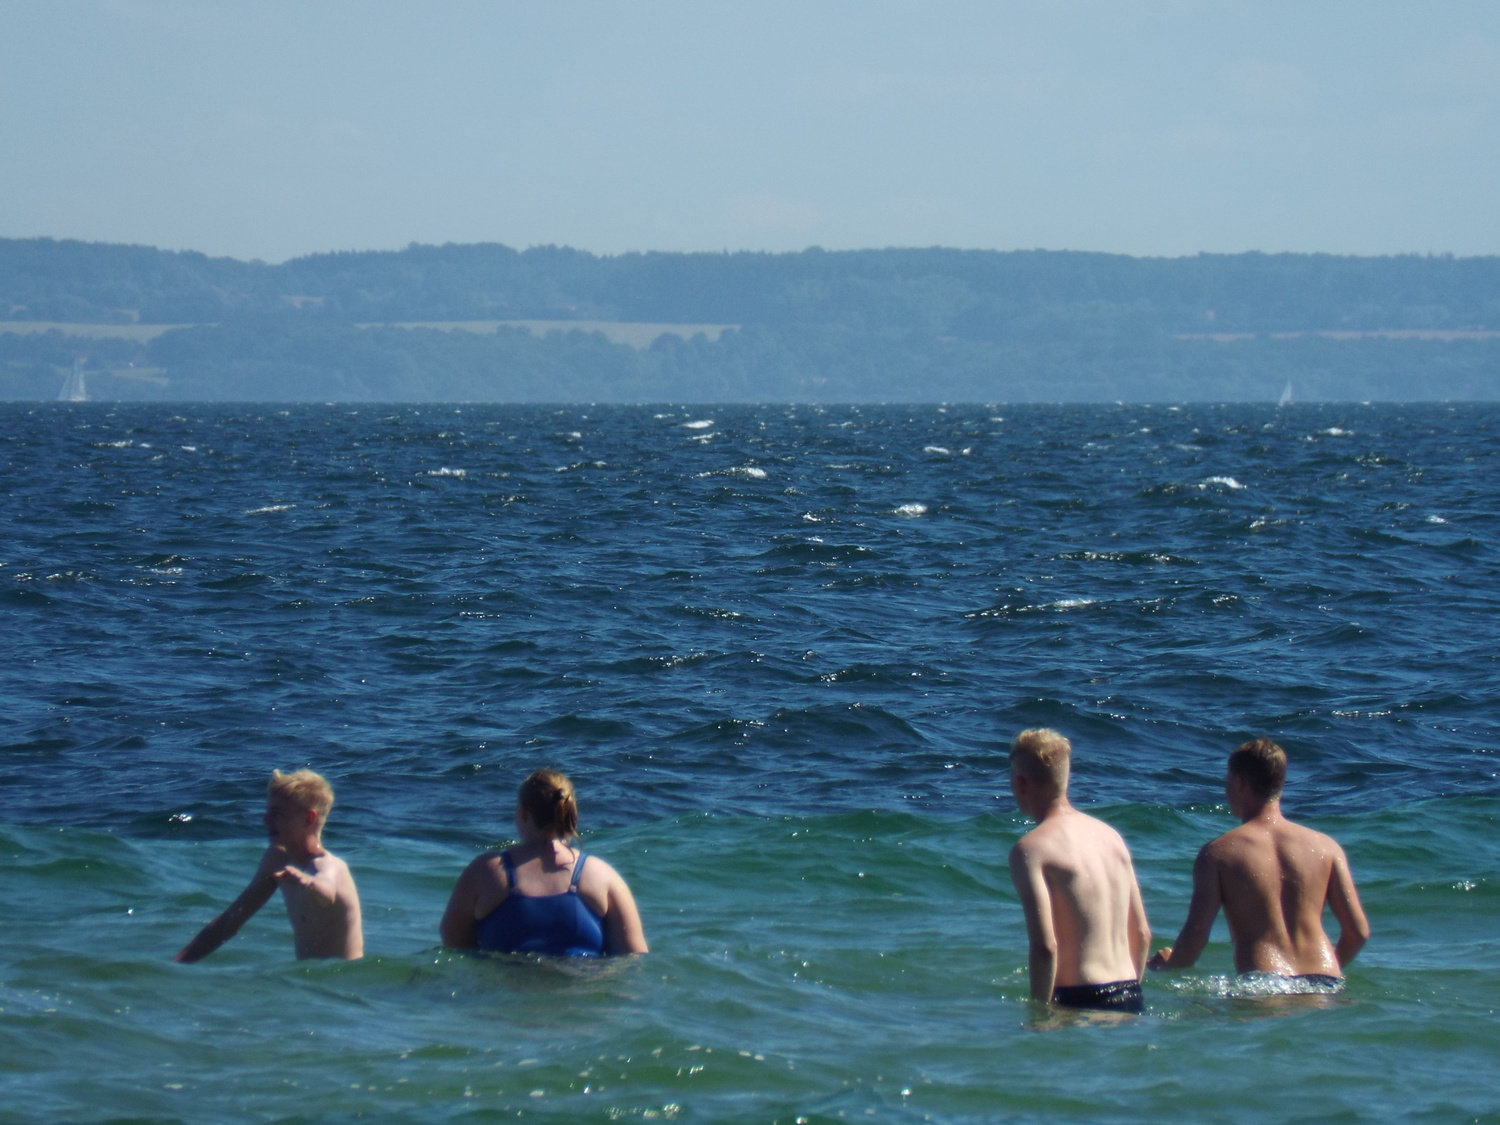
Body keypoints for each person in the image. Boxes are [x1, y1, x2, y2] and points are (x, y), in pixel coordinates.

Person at [1148, 737, 1369, 990]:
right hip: (1325, 979)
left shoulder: (1218, 854)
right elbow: (1358, 932)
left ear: (1240, 783)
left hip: (1265, 983)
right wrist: (1327, 972)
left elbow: (1196, 936)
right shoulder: (1327, 847)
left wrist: (1168, 965)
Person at [1008, 729, 1152, 1014]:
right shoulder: (1112, 838)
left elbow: (1046, 947)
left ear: (1021, 783)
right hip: (1130, 993)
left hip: (1080, 999)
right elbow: (1142, 933)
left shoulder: (1031, 850)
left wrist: (1041, 1015)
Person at [440, 768, 648, 957]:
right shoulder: (601, 876)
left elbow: (455, 944)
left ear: (524, 813)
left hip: (509, 985)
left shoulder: (486, 872)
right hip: (579, 984)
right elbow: (633, 958)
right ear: (570, 812)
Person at [175, 769, 364, 962]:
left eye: (276, 814)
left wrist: (307, 882)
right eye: (267, 813)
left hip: (344, 976)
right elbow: (231, 920)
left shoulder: (329, 865)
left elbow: (327, 891)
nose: (265, 821)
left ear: (308, 819)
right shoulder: (278, 858)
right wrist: (179, 963)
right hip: (309, 975)